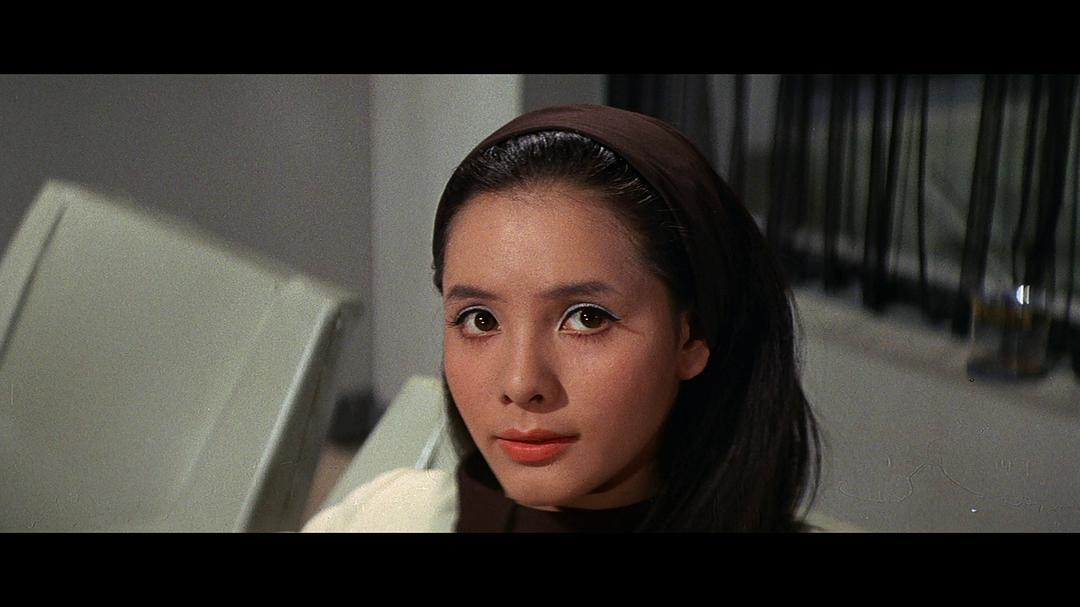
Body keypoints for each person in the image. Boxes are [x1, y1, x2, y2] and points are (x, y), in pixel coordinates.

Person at [303, 103, 821, 532]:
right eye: (480, 320)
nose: (521, 383)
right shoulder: (391, 518)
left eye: (586, 318)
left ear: (692, 334)